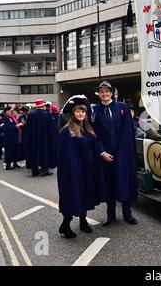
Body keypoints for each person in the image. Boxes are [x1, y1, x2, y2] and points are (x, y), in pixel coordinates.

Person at [92, 81, 138, 227]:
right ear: (99, 94)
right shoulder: (95, 111)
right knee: (108, 184)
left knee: (124, 182)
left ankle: (127, 214)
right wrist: (102, 152)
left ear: (112, 93)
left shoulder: (122, 107)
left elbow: (128, 131)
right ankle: (110, 215)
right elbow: (94, 134)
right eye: (101, 92)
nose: (104, 94)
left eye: (107, 91)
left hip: (122, 154)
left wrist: (122, 153)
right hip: (105, 155)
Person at [57, 100, 102, 239]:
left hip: (88, 169)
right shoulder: (68, 130)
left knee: (85, 195)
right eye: (78, 111)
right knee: (72, 196)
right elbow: (67, 155)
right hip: (73, 171)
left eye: (83, 111)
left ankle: (83, 221)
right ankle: (66, 225)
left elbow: (95, 145)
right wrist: (74, 172)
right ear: (73, 113)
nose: (81, 113)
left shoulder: (88, 128)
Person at [24, 99, 59, 177]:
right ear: (43, 105)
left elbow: (28, 128)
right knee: (44, 153)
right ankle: (44, 169)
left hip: (33, 139)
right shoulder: (47, 114)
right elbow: (51, 128)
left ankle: (34, 170)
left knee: (34, 152)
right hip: (44, 138)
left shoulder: (31, 115)